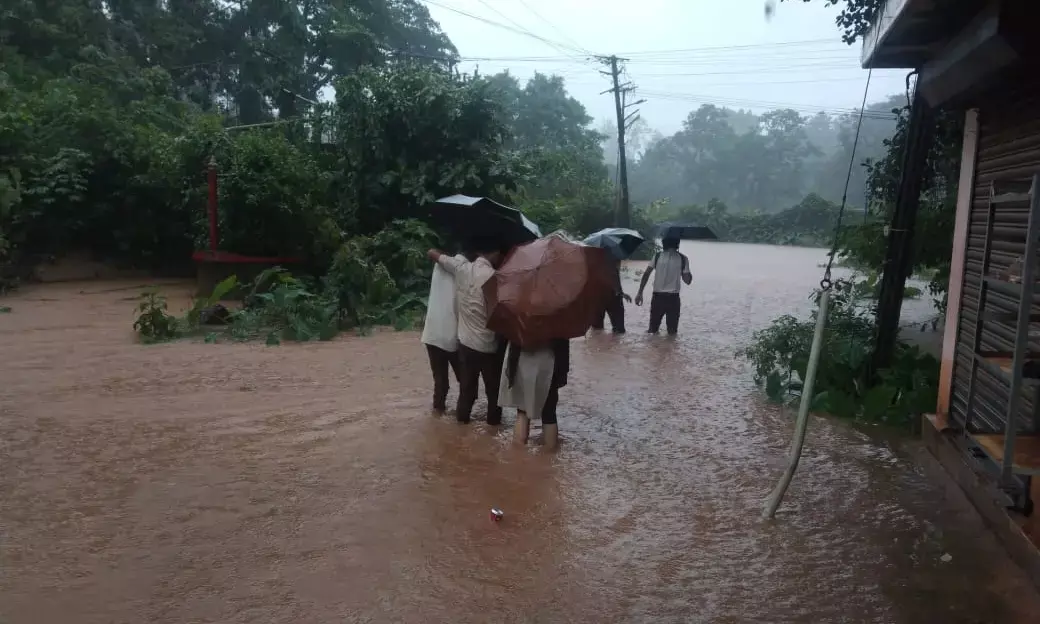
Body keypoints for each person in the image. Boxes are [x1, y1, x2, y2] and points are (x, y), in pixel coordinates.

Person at [427, 240, 505, 425]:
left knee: (466, 391)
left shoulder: (461, 269)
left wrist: (440, 254)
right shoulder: (495, 277)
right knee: (493, 392)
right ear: (493, 254)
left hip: (466, 344)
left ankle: (462, 426)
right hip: (488, 345)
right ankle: (493, 428)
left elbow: (433, 254)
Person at [500, 338, 570, 450]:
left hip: (522, 358)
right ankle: (549, 456)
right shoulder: (558, 319)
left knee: (522, 411)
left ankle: (518, 455)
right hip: (549, 359)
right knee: (549, 413)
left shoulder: (521, 319)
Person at [420, 247, 464, 416]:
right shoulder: (464, 269)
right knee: (465, 382)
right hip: (451, 335)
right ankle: (461, 420)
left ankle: (437, 416)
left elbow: (431, 251)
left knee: (440, 382)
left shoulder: (440, 265)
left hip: (431, 333)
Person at [634, 236, 692, 335]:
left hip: (658, 298)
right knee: (672, 332)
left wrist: (640, 293)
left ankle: (652, 349)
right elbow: (688, 281)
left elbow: (646, 274)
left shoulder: (657, 256)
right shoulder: (683, 258)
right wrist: (684, 268)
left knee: (652, 330)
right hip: (673, 299)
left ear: (664, 243)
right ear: (677, 244)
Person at [590, 258, 631, 334]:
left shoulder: (594, 262)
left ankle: (597, 345)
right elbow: (614, 277)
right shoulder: (613, 263)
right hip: (613, 298)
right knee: (619, 330)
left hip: (597, 297)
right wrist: (621, 293)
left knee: (597, 330)